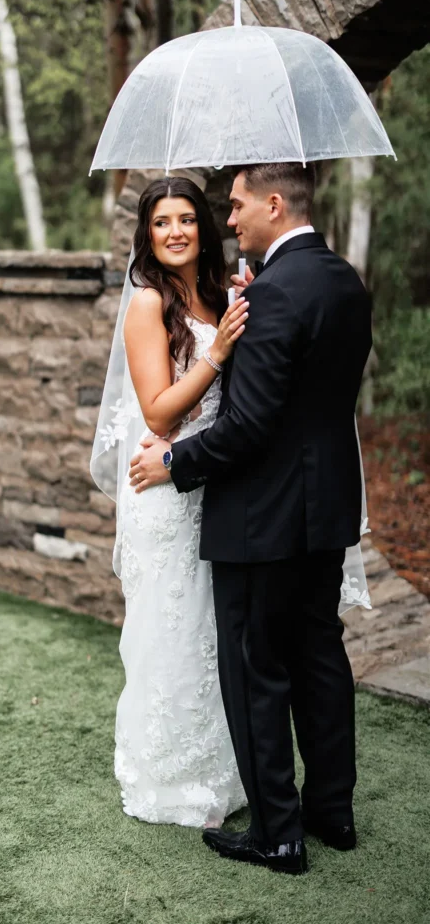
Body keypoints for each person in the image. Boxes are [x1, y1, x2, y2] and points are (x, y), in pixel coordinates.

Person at [129, 162, 372, 875]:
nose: (225, 220)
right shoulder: (343, 281)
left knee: (255, 669)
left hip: (259, 518)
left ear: (272, 204)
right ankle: (333, 813)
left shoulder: (269, 294)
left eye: (233, 207)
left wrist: (174, 467)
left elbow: (251, 425)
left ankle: (277, 833)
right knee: (319, 658)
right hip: (325, 506)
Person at [92, 175, 249, 830]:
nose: (176, 231)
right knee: (170, 630)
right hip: (163, 490)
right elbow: (156, 409)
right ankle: (166, 776)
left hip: (210, 486)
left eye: (186, 218)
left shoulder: (214, 293)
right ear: (146, 235)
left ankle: (220, 768)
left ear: (202, 228)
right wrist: (214, 353)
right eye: (162, 222)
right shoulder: (146, 304)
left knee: (212, 635)